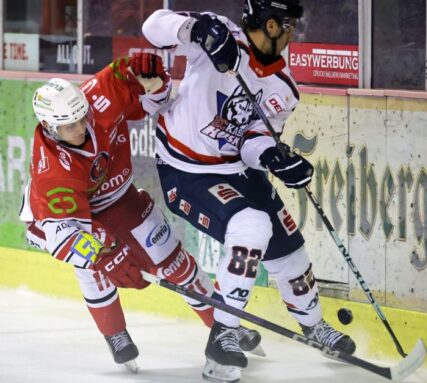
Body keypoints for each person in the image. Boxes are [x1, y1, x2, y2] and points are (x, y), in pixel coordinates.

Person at [142, 0, 356, 381]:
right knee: (252, 226)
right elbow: (153, 25)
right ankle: (223, 334)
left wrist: (275, 157)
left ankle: (314, 325)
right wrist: (196, 30)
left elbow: (253, 139)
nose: (293, 34)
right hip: (186, 170)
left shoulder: (284, 87)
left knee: (288, 243)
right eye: (289, 25)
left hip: (236, 169)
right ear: (271, 26)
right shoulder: (222, 34)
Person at [19, 53, 261, 373]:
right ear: (50, 127)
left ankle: (224, 327)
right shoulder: (53, 171)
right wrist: (107, 256)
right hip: (71, 220)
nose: (80, 127)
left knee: (173, 259)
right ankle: (115, 333)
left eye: (82, 118)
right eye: (69, 125)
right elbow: (68, 236)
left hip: (120, 198)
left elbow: (139, 87)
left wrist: (151, 78)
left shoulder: (97, 97)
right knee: (94, 268)